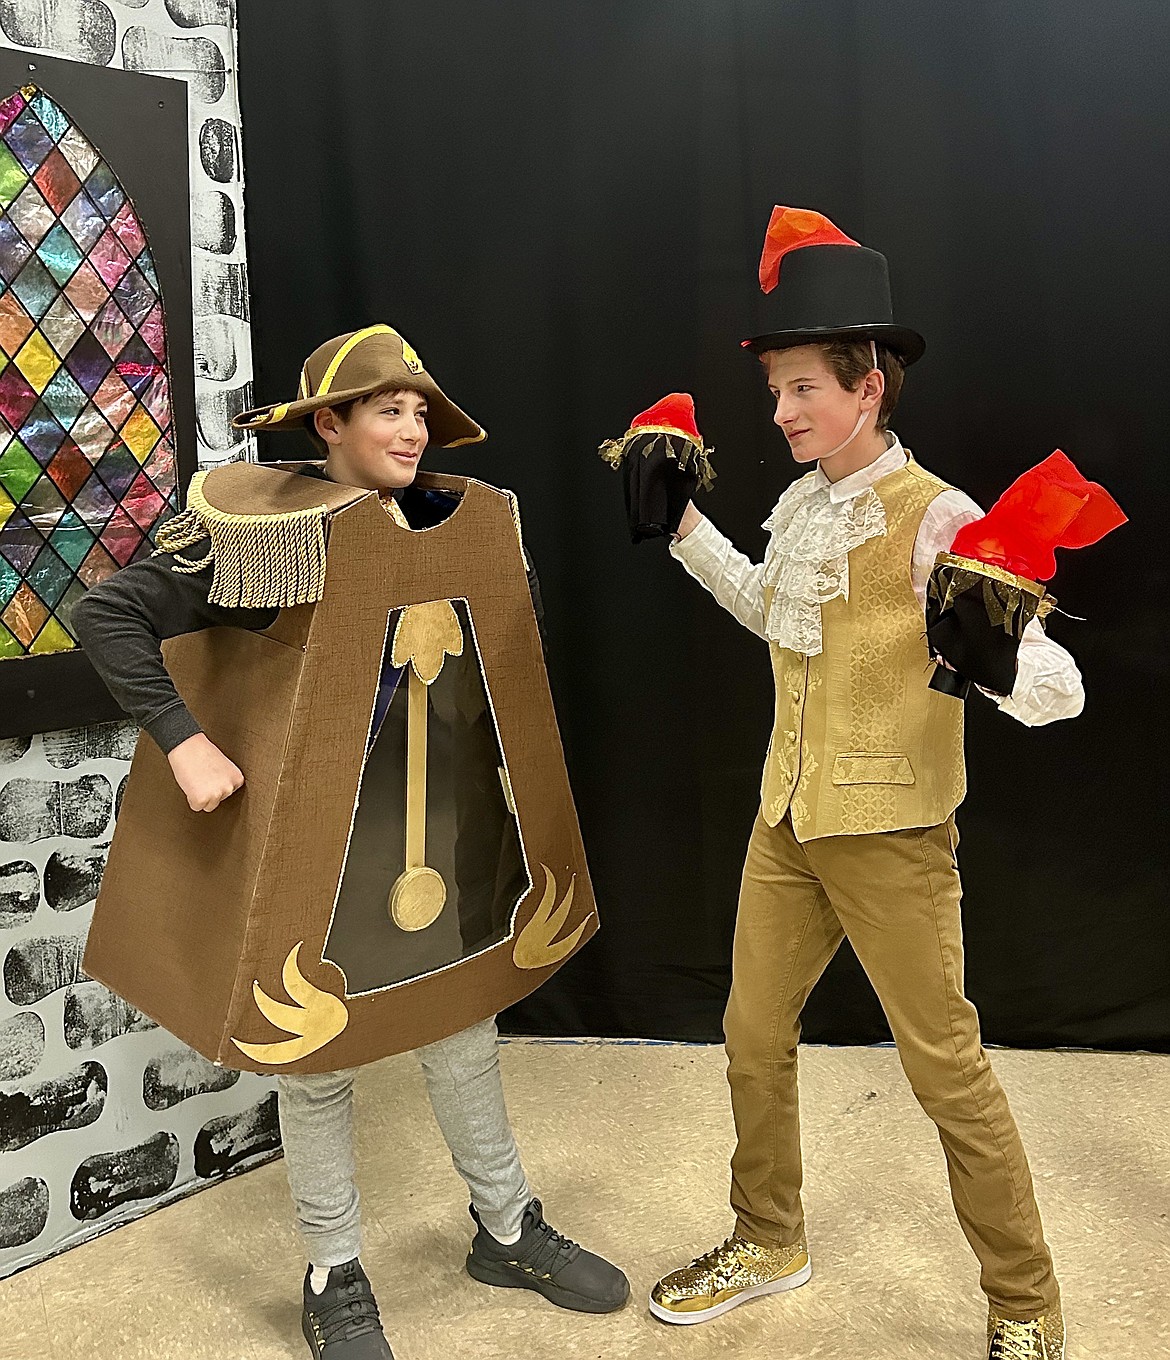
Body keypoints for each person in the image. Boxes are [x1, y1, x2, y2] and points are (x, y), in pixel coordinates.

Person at [75, 325, 628, 1360]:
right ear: (329, 423)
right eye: (389, 409)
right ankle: (333, 1270)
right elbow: (111, 614)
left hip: (435, 834)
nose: (413, 428)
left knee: (461, 1034)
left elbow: (511, 663)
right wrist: (185, 742)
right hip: (320, 854)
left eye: (421, 410)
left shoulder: (464, 523)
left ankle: (506, 1229)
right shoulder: (268, 530)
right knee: (313, 1058)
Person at [645, 208, 1077, 1360]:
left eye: (804, 390)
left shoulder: (937, 513)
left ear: (869, 387)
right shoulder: (798, 508)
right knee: (750, 1031)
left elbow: (1057, 682)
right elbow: (771, 621)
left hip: (891, 834)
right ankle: (768, 1234)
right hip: (786, 819)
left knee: (945, 1068)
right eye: (777, 389)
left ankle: (1025, 1303)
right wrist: (684, 525)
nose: (782, 411)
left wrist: (997, 662)